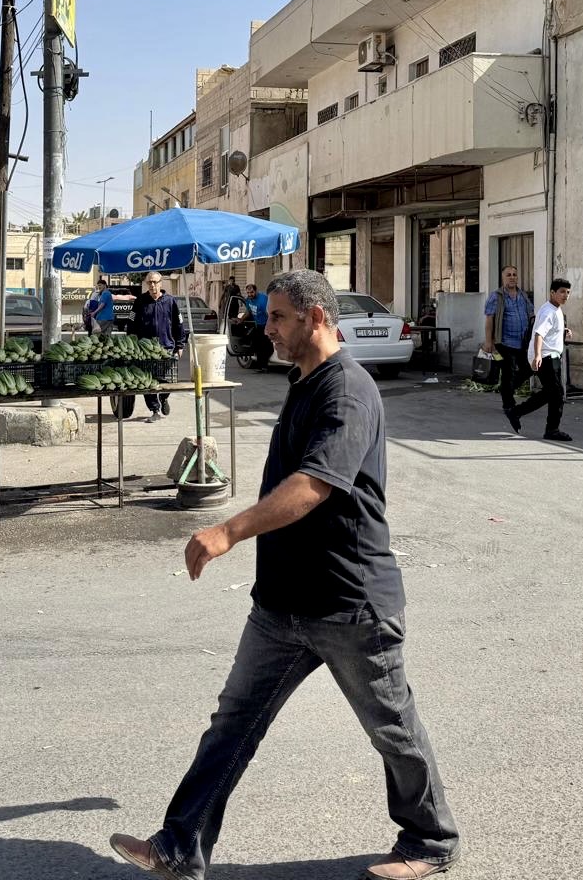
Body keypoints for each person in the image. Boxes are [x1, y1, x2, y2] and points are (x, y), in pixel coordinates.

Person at [110, 269, 459, 880]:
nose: (264, 327)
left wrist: (226, 531)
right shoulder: (305, 380)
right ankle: (179, 847)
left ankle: (430, 842)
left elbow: (315, 485)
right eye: (266, 316)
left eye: (277, 318)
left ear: (315, 318)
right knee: (234, 722)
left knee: (392, 729)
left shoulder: (347, 391)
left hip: (349, 602)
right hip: (282, 603)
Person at [507, 278, 573, 442]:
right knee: (557, 394)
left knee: (551, 393)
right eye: (562, 292)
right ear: (552, 293)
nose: (565, 295)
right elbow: (539, 334)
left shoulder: (556, 309)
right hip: (544, 357)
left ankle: (516, 412)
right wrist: (537, 356)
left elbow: (551, 329)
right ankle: (552, 429)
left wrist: (564, 331)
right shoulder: (548, 311)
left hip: (552, 356)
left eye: (568, 292)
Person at [131, 272, 187, 421]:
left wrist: (180, 345)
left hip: (166, 347)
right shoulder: (140, 301)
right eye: (149, 282)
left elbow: (179, 323)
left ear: (161, 283)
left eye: (155, 282)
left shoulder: (170, 301)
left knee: (167, 379)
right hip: (145, 349)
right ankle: (154, 410)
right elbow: (132, 322)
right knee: (147, 380)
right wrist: (131, 342)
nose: (152, 285)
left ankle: (163, 398)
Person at [482, 265, 534, 418]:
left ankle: (507, 389)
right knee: (508, 373)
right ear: (503, 278)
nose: (512, 277)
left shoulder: (523, 295)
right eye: (509, 275)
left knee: (529, 368)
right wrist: (488, 342)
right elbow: (489, 319)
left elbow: (531, 314)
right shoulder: (496, 296)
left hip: (522, 342)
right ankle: (508, 404)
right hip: (504, 342)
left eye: (514, 275)